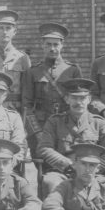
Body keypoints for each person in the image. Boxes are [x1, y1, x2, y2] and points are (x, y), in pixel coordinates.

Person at [36, 78, 105, 196]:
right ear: (67, 99)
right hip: (62, 171)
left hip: (92, 172)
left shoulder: (98, 123)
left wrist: (93, 167)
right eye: (74, 98)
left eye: (82, 98)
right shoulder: (55, 121)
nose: (78, 102)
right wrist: (67, 164)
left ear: (89, 100)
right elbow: (44, 148)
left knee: (104, 187)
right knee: (52, 183)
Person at [20, 23, 82, 159]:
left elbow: (79, 102)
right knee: (41, 163)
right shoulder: (33, 72)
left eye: (56, 44)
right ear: (42, 45)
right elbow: (27, 105)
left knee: (68, 162)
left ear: (62, 45)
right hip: (40, 125)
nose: (52, 48)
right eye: (48, 44)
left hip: (66, 126)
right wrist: (36, 132)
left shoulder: (72, 70)